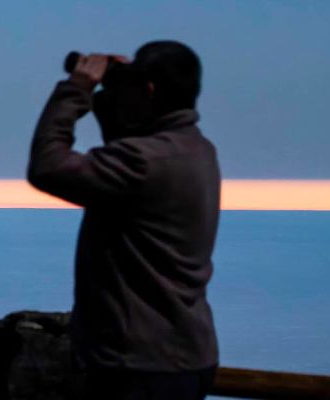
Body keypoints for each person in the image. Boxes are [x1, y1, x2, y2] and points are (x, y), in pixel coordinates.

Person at [27, 41, 220, 400]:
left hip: (138, 367)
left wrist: (79, 88)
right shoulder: (197, 149)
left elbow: (47, 166)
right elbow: (124, 158)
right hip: (187, 357)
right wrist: (114, 96)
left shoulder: (145, 162)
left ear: (147, 90)